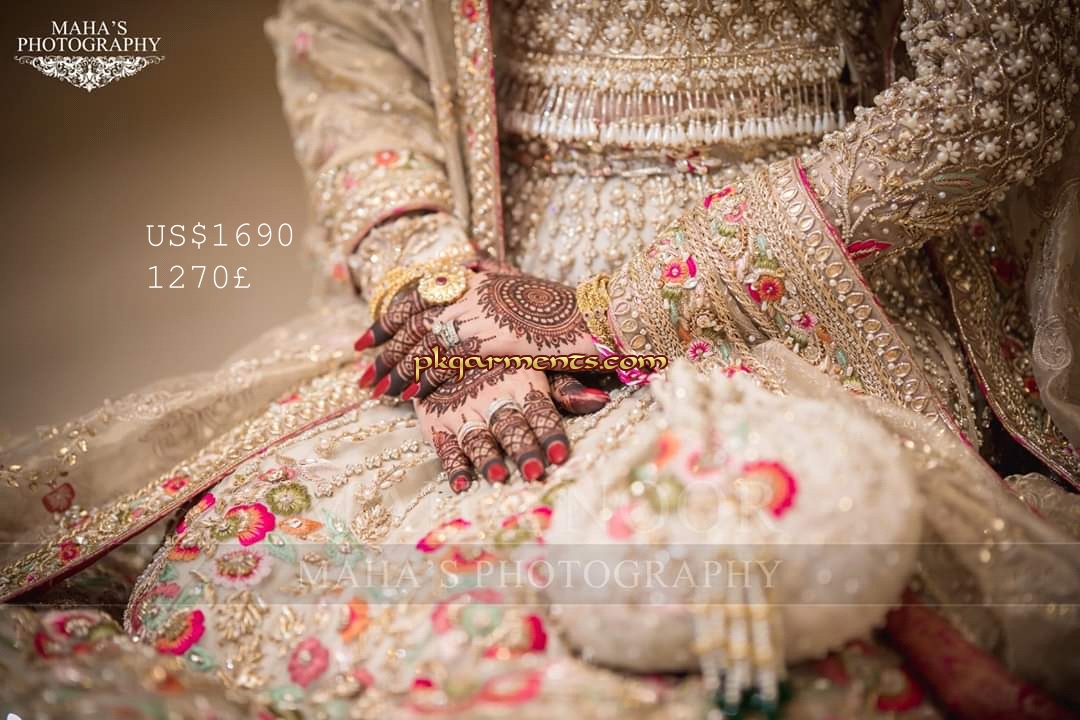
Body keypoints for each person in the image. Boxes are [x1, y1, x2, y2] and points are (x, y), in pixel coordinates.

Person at [3, 1, 1080, 717]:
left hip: (803, 297)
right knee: (270, 585)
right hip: (481, 292)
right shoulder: (454, 313)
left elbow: (995, 95)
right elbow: (348, 39)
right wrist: (435, 292)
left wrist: (610, 310)